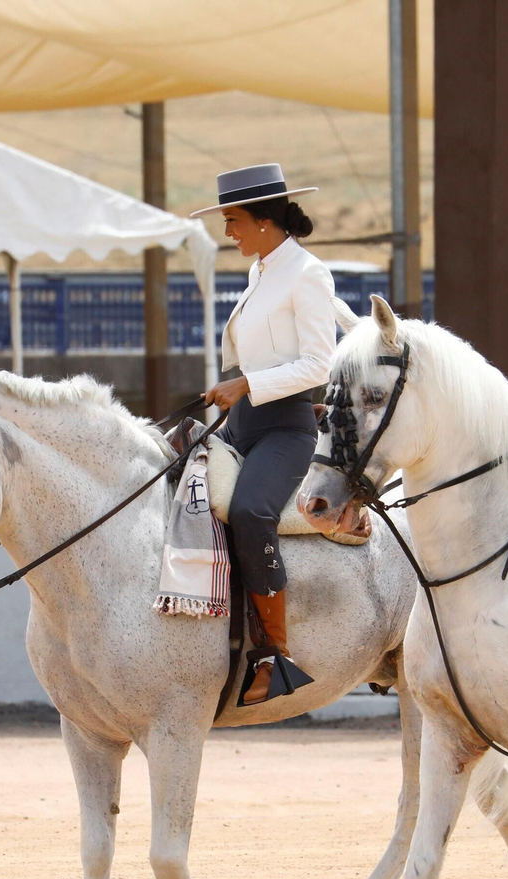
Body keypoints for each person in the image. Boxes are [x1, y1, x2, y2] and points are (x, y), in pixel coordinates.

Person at [189, 163, 336, 706]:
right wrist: (235, 389)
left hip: (286, 425)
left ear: (265, 221)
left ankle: (275, 655)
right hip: (243, 421)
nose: (228, 232)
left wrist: (247, 383)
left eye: (233, 221)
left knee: (250, 511)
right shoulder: (260, 271)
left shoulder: (308, 274)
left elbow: (319, 365)